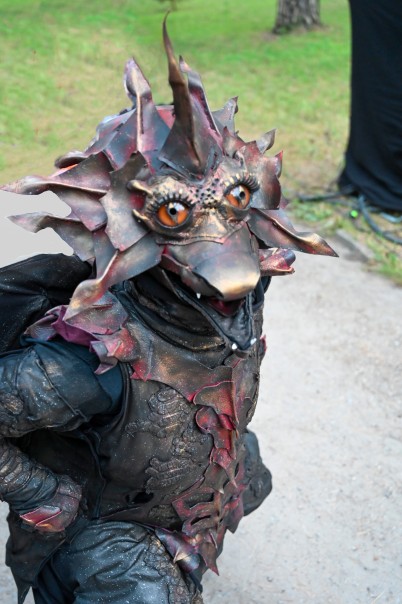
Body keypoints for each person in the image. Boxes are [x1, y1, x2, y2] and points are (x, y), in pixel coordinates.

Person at [0, 21, 336, 604]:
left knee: (252, 477)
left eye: (233, 200)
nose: (227, 261)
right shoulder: (83, 360)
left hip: (193, 488)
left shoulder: (245, 298)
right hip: (107, 524)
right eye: (177, 215)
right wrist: (37, 491)